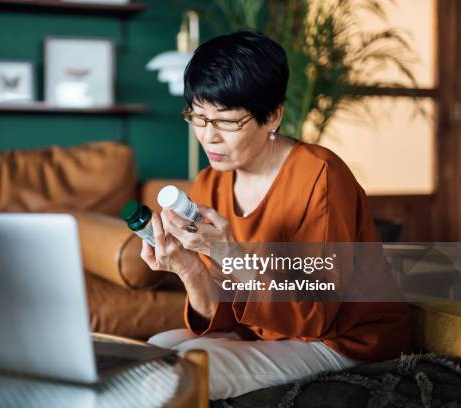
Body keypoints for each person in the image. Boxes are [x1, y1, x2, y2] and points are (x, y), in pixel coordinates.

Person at [142, 30, 410, 401]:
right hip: (263, 331)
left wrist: (227, 253)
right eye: (198, 117)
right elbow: (222, 315)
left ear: (272, 117)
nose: (209, 137)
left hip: (342, 340)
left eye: (226, 122)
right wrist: (188, 267)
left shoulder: (321, 176)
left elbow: (316, 317)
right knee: (154, 350)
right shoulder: (208, 184)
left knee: (182, 370)